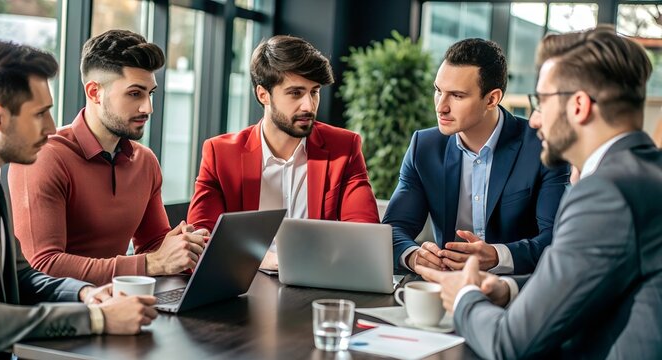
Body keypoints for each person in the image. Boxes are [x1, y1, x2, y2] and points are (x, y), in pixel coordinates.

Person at [419, 26, 662, 358]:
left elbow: (509, 343)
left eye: (542, 101)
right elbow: (593, 280)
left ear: (578, 106)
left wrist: (462, 296)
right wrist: (508, 289)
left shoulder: (605, 194)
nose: (533, 120)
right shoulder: (646, 174)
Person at [0, 39, 158, 360]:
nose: (52, 127)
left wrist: (86, 294)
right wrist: (96, 319)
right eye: (40, 114)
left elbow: (20, 276)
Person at [8, 29, 207, 286]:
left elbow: (154, 244)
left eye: (151, 93)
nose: (148, 108)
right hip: (62, 315)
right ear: (94, 93)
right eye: (135, 93)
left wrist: (184, 246)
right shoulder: (44, 157)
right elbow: (44, 265)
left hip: (123, 304)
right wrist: (151, 263)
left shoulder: (145, 161)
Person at [186, 35, 379, 270]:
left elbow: (365, 235)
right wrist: (265, 261)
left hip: (317, 284)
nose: (309, 106)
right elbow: (199, 243)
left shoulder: (344, 148)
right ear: (263, 95)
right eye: (295, 93)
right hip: (243, 287)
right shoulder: (220, 154)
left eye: (314, 92)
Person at [383, 38, 569, 275]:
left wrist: (497, 256)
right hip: (446, 286)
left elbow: (555, 240)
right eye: (438, 91)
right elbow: (394, 229)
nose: (441, 107)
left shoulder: (542, 145)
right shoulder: (424, 146)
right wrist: (413, 256)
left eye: (457, 96)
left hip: (519, 290)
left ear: (492, 99)